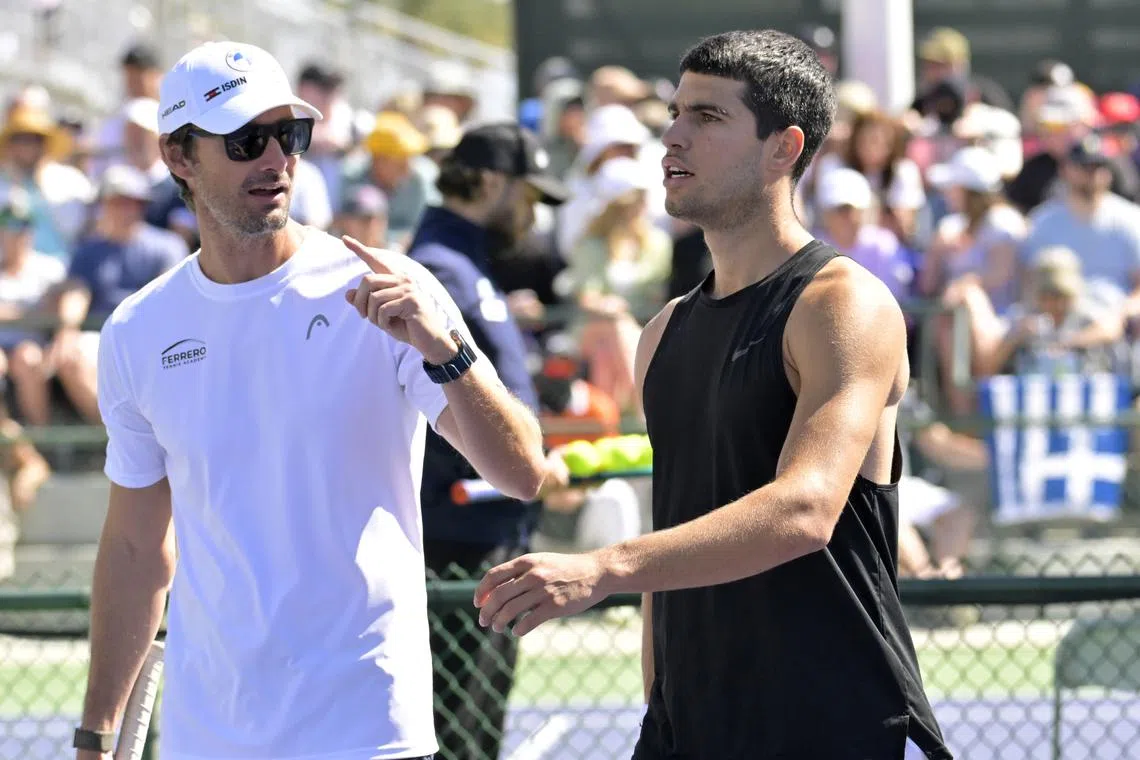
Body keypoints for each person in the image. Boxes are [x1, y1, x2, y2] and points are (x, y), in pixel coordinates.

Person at [473, 30, 952, 760]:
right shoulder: (663, 333)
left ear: (784, 148)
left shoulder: (843, 303)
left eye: (707, 117)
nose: (672, 136)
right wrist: (660, 712)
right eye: (673, 113)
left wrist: (603, 568)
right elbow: (681, 522)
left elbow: (804, 509)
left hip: (835, 726)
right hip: (688, 732)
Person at [73, 41, 548, 760]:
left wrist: (444, 349)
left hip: (368, 730)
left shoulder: (388, 285)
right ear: (178, 157)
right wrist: (95, 734)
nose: (275, 159)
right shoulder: (139, 330)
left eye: (289, 135)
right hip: (211, 736)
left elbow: (522, 472)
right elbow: (137, 549)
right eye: (245, 140)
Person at [406, 121, 571, 760]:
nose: (531, 214)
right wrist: (528, 468)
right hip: (457, 533)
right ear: (494, 182)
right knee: (456, 737)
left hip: (481, 525)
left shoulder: (463, 265)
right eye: (527, 194)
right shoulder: (442, 268)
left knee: (472, 732)